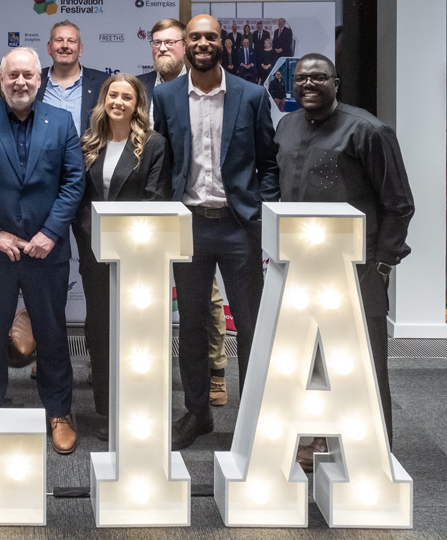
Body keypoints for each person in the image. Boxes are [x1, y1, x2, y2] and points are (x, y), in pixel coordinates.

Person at [275, 54, 414, 471]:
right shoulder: (286, 125)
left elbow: (399, 204)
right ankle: (313, 442)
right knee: (306, 361)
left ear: (336, 83)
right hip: (299, 266)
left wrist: (384, 265)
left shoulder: (369, 131)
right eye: (301, 79)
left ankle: (373, 458)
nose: (309, 85)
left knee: (364, 366)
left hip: (359, 270)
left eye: (319, 78)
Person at [152, 15, 279, 450]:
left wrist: (261, 214)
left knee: (249, 323)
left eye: (210, 36)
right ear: (184, 44)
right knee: (190, 324)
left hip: (239, 226)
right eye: (195, 37)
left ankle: (255, 414)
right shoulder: (165, 95)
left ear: (221, 42)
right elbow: (162, 160)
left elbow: (269, 163)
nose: (203, 43)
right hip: (188, 225)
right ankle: (197, 412)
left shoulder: (252, 95)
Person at [0, 47, 85, 455]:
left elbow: (73, 183)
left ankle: (59, 412)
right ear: (2, 79)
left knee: (52, 334)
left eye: (28, 75)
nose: (20, 83)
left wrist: (50, 232)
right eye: (13, 76)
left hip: (48, 250)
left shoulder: (61, 122)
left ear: (39, 78)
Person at [138, 18, 231, 408]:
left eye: (171, 42)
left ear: (187, 47)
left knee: (205, 298)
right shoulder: (138, 88)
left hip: (190, 206)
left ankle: (216, 371)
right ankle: (143, 368)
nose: (163, 49)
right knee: (143, 291)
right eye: (157, 43)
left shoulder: (210, 89)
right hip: (147, 203)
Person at [74, 73, 170, 441]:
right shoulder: (88, 143)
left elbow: (156, 198)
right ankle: (106, 409)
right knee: (99, 328)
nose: (118, 102)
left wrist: (123, 238)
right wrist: (92, 233)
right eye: (112, 95)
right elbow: (80, 198)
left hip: (137, 255)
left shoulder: (154, 145)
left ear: (136, 104)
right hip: (94, 250)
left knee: (135, 332)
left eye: (126, 97)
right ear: (103, 100)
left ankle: (138, 408)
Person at [35, 20, 107, 136]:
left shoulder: (102, 83)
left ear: (80, 49)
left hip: (86, 154)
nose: (65, 46)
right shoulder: (33, 81)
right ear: (49, 47)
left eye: (71, 41)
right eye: (59, 40)